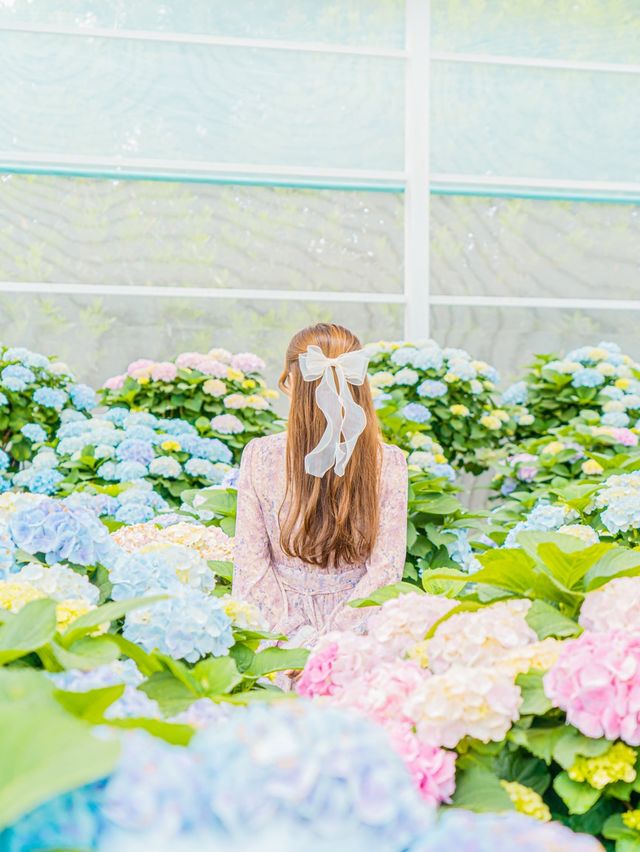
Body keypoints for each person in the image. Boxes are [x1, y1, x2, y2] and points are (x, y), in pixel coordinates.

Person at [232, 323, 408, 650]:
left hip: (278, 637)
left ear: (291, 381)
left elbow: (250, 569)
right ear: (359, 382)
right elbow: (385, 573)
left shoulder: (260, 456)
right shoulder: (389, 463)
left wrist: (294, 643)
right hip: (357, 638)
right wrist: (333, 644)